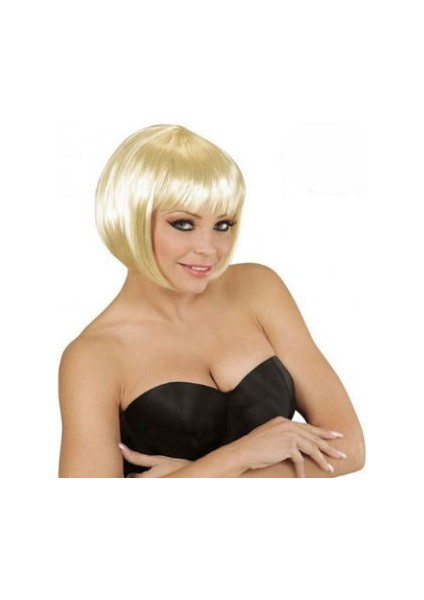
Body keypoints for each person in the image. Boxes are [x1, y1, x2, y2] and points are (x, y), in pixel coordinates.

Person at [58, 124, 365, 478]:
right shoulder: (93, 357)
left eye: (223, 224)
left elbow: (348, 448)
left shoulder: (259, 288)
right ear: (131, 219)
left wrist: (196, 477)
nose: (209, 249)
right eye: (183, 224)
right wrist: (240, 455)